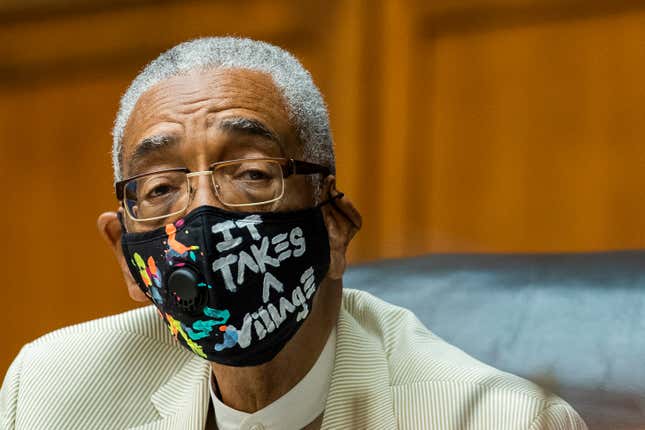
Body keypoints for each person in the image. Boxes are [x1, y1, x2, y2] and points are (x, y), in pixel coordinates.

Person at [0, 37, 587, 430]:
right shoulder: (52, 393)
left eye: (252, 174)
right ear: (127, 260)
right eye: (160, 189)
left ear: (333, 228)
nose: (204, 211)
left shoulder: (494, 420)